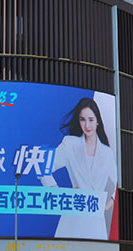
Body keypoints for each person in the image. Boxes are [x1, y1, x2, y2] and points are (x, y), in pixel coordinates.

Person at [39, 97, 117, 240]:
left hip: (96, 221)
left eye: (91, 120)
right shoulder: (70, 144)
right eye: (82, 120)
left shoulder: (107, 152)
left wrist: (109, 203)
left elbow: (117, 183)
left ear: (97, 121)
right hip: (73, 216)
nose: (87, 125)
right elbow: (43, 168)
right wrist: (60, 193)